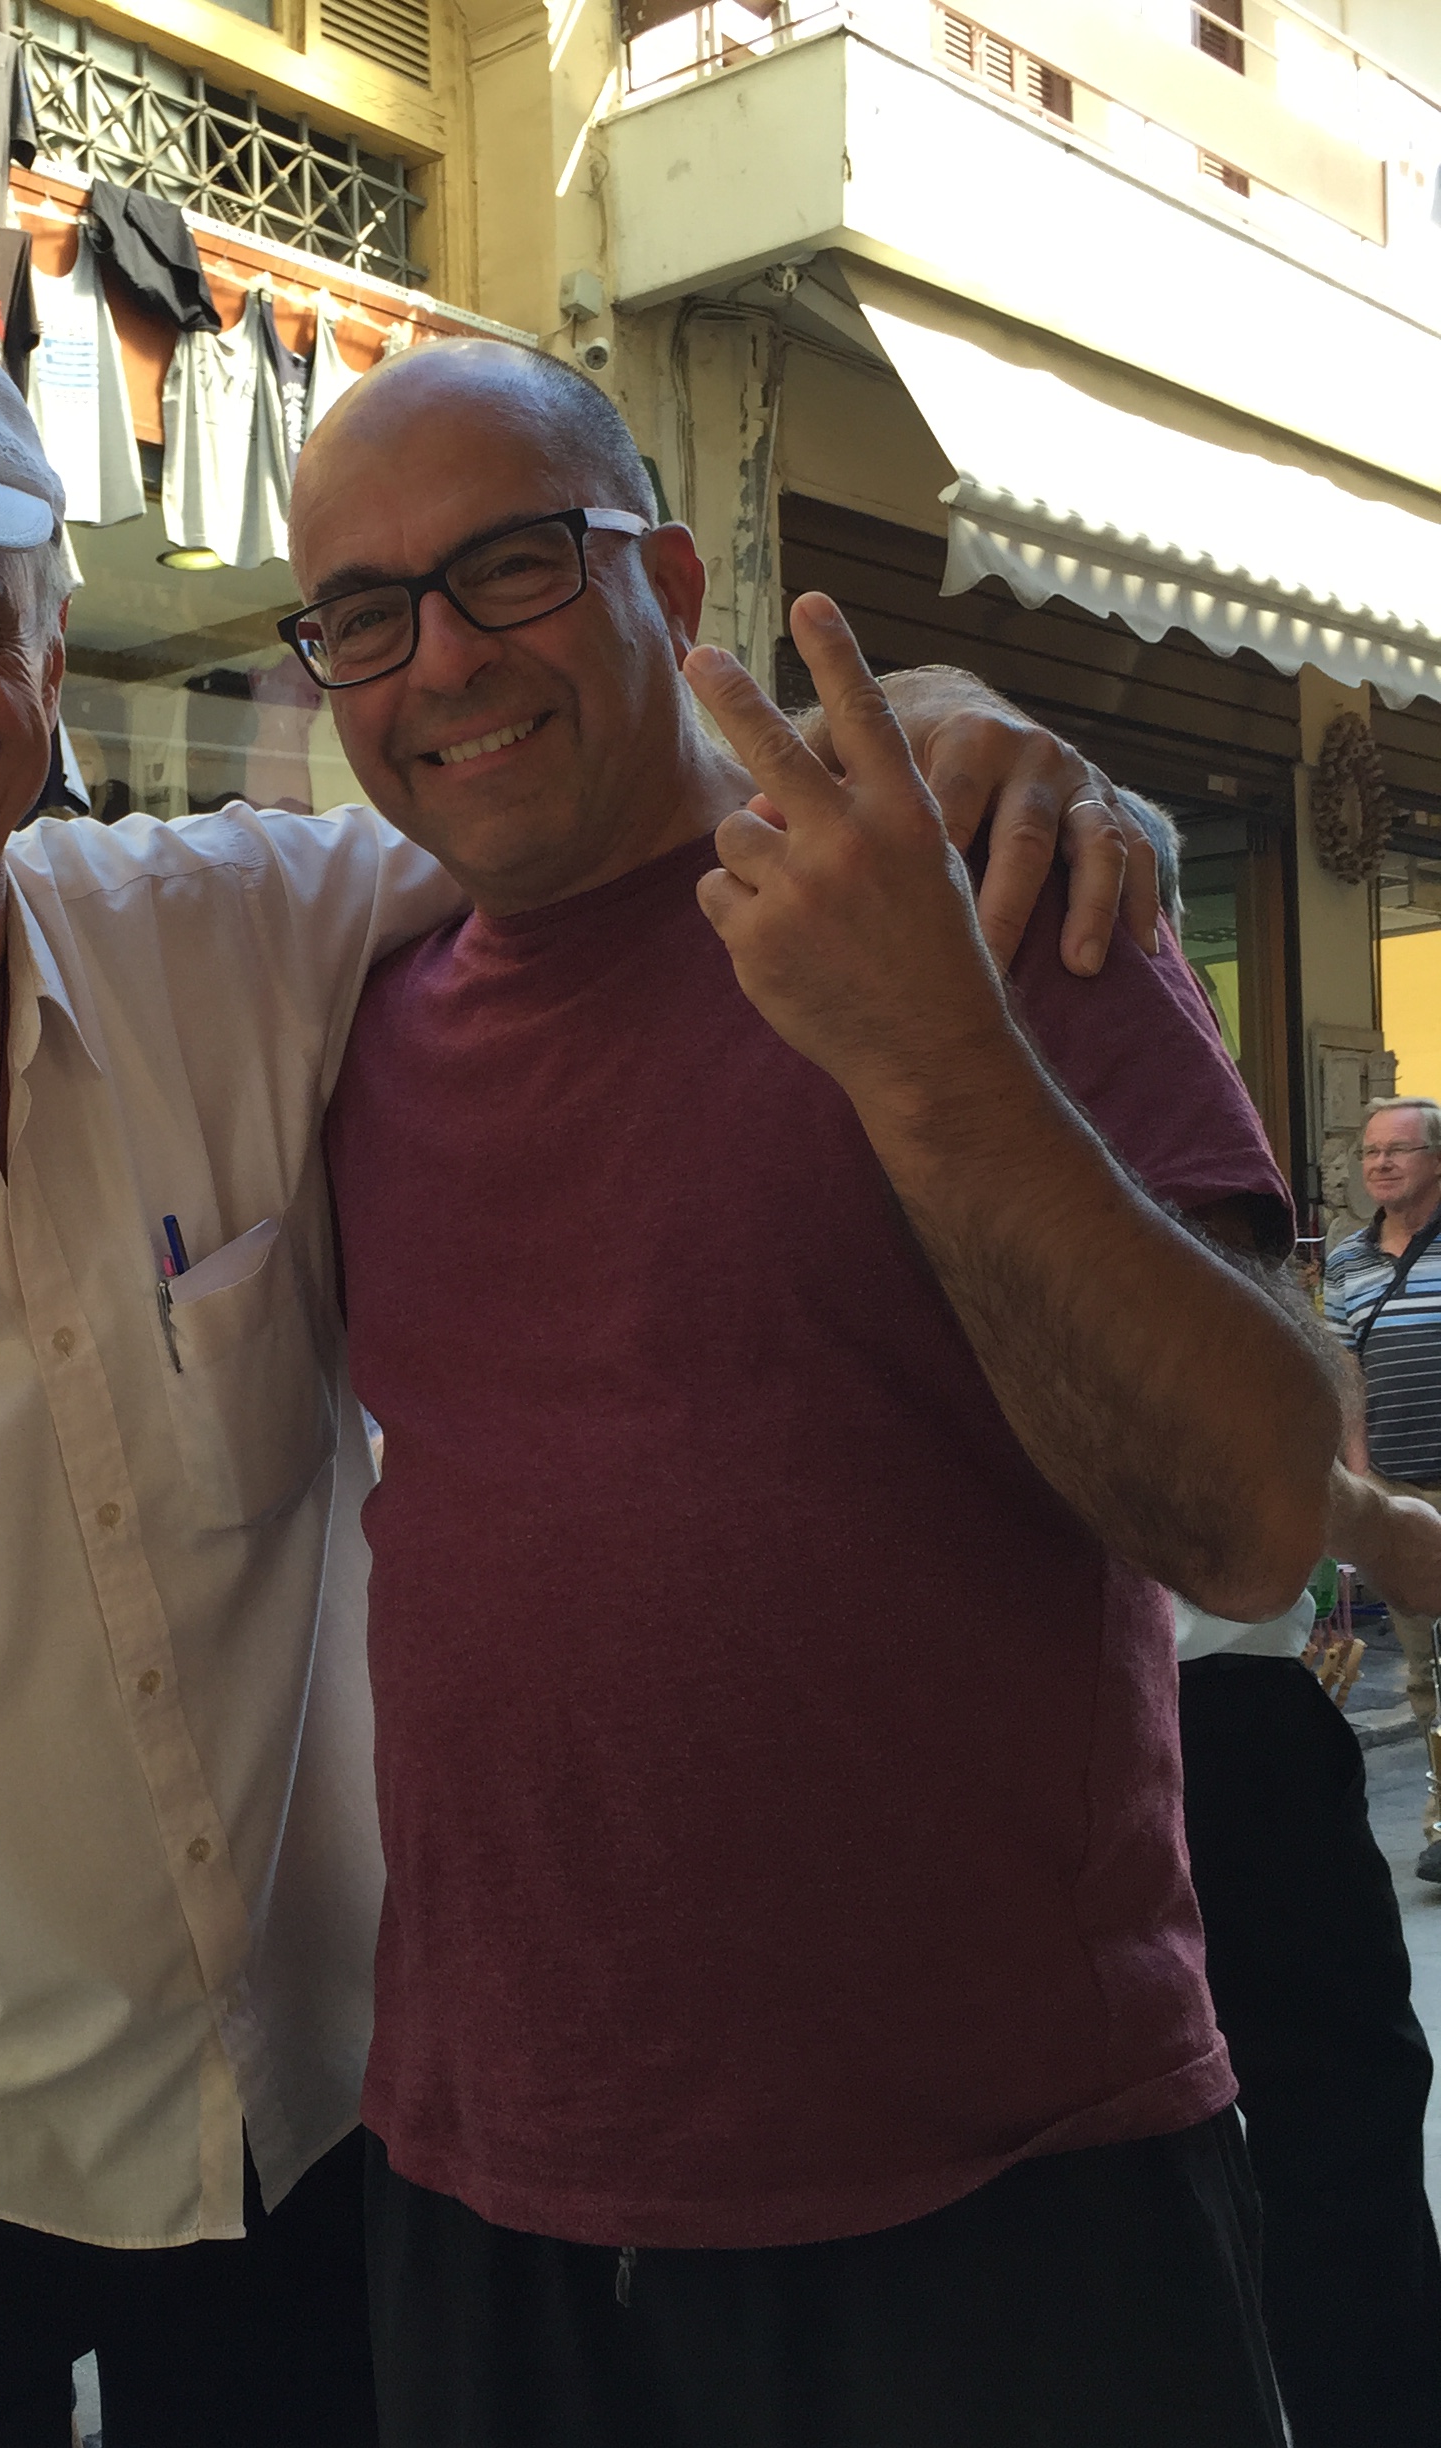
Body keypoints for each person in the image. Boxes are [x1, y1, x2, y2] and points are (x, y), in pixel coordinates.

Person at [0, 323, 1152, 2446]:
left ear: (48, 646)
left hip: (320, 2120)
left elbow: (575, 778)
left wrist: (943, 715)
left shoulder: (240, 925)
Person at [298, 340, 1341, 2446]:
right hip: (489, 2204)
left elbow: (1257, 1515)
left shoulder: (981, 892)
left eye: (512, 565)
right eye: (364, 613)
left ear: (670, 585)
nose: (442, 659)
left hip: (1004, 2218)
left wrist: (929, 1050)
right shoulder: (345, 1019)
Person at [1104, 796, 1441, 2445]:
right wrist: (1378, 1535)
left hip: (1117, 1712)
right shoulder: (1139, 1095)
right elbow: (1255, 1466)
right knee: (1325, 2125)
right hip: (1198, 1709)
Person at [1323, 1094, 1441, 1879]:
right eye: (1370, 1151)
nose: (1380, 1163)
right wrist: (1361, 1480)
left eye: (1398, 1149)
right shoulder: (1347, 1262)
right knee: (1422, 1668)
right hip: (1397, 1490)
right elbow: (1345, 1377)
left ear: (1438, 1160)